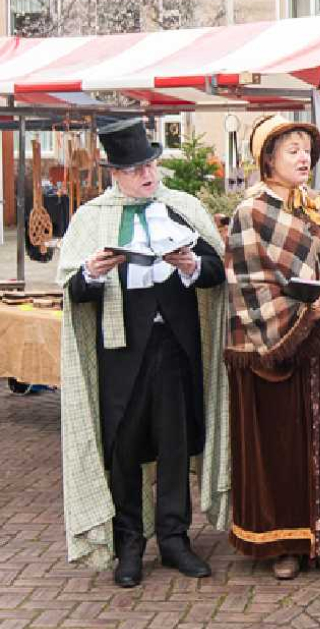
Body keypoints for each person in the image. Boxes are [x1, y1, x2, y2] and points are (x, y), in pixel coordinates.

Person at [58, 118, 228, 587]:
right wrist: (91, 272)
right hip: (120, 349)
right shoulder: (92, 218)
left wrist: (193, 263)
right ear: (115, 174)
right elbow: (72, 291)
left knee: (174, 442)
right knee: (124, 447)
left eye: (151, 164)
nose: (148, 175)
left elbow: (216, 271)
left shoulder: (183, 208)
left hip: (174, 345)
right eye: (136, 170)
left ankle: (175, 539)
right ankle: (129, 542)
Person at [225, 115, 320, 580]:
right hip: (280, 353)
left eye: (305, 149)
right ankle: (285, 544)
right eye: (290, 150)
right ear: (267, 159)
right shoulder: (249, 211)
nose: (302, 157)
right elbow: (248, 282)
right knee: (283, 446)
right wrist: (304, 315)